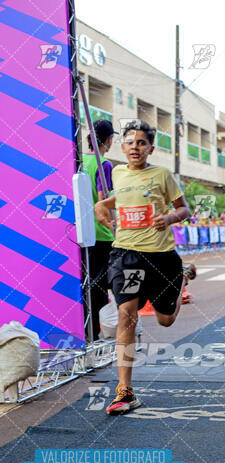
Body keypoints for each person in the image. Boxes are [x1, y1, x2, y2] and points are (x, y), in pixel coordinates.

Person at [95, 120, 196, 414]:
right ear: (122, 146)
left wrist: (169, 219)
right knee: (127, 314)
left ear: (151, 148)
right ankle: (124, 391)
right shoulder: (117, 172)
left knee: (165, 320)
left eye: (141, 143)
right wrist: (101, 207)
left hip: (161, 257)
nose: (135, 147)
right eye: (130, 142)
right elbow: (123, 199)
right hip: (126, 255)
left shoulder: (162, 175)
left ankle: (183, 279)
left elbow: (184, 208)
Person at [82, 120, 117, 340]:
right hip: (100, 233)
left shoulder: (78, 161)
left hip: (80, 233)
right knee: (100, 286)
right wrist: (113, 226)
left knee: (84, 283)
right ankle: (96, 334)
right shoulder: (104, 164)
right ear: (108, 139)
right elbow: (103, 199)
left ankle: (85, 331)